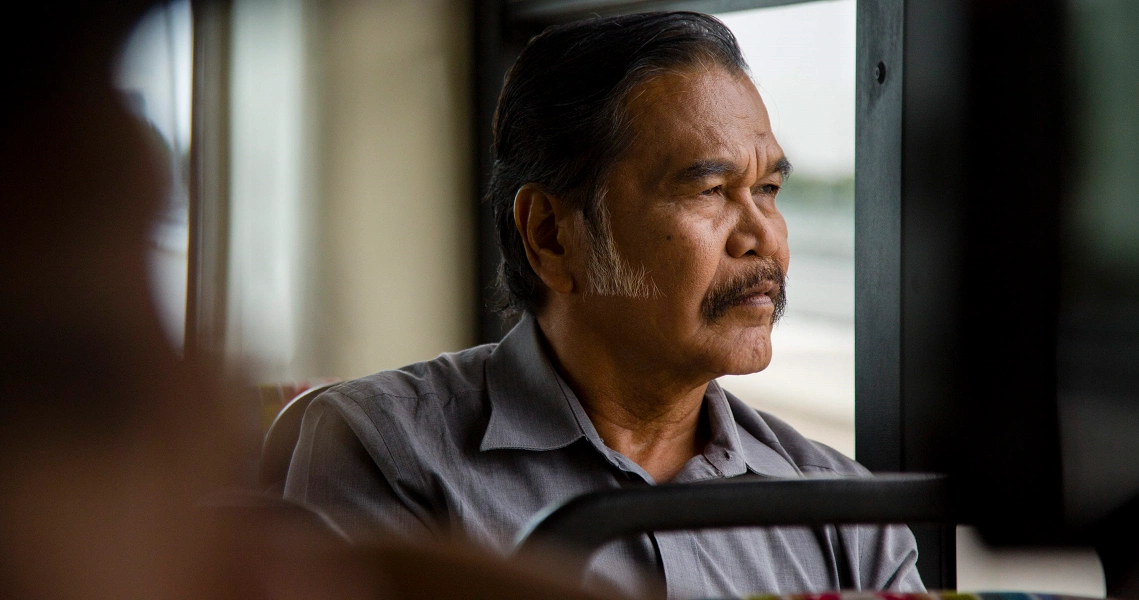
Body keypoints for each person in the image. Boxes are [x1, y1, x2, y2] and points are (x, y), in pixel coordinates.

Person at [285, 11, 923, 598]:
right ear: (552, 235)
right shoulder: (386, 454)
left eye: (769, 188)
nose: (763, 238)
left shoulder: (843, 512)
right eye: (709, 190)